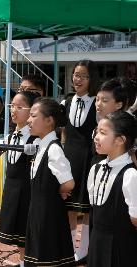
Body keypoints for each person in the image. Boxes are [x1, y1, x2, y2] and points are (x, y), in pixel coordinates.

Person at [25, 98, 75, 267]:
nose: (28, 120)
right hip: (38, 212)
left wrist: (57, 189)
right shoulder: (40, 145)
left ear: (49, 121)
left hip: (49, 215)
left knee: (48, 257)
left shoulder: (53, 149)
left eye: (33, 116)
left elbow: (69, 183)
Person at [87, 111, 137, 267]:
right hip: (96, 246)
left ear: (120, 140)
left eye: (103, 133)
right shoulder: (96, 169)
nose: (96, 136)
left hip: (122, 251)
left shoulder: (130, 175)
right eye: (96, 131)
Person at [0, 91, 38, 267]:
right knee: (18, 233)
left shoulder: (36, 140)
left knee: (26, 231)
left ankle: (28, 262)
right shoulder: (10, 136)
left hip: (28, 191)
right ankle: (22, 261)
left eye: (20, 107)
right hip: (12, 188)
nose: (14, 110)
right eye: (12, 106)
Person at [62, 60, 99, 262]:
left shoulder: (97, 102)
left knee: (85, 207)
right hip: (69, 156)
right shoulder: (67, 101)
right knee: (69, 205)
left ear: (91, 79)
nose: (78, 79)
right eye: (76, 75)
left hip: (89, 157)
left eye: (83, 76)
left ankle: (83, 250)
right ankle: (69, 248)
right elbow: (64, 132)